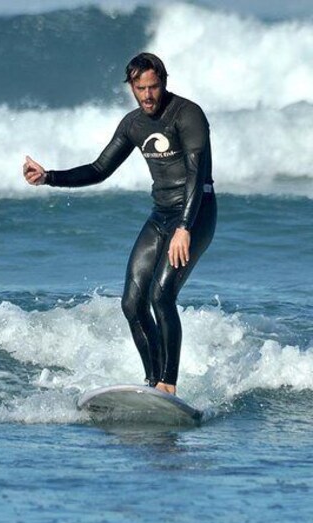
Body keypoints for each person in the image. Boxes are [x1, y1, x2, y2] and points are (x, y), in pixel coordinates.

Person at [23, 52, 217, 395]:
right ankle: (152, 382)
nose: (147, 95)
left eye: (153, 87)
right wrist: (48, 177)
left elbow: (196, 173)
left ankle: (168, 385)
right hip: (160, 215)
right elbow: (99, 169)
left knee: (161, 296)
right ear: (131, 87)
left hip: (195, 212)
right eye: (139, 88)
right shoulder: (133, 124)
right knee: (132, 303)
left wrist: (185, 227)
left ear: (164, 82)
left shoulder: (188, 115)